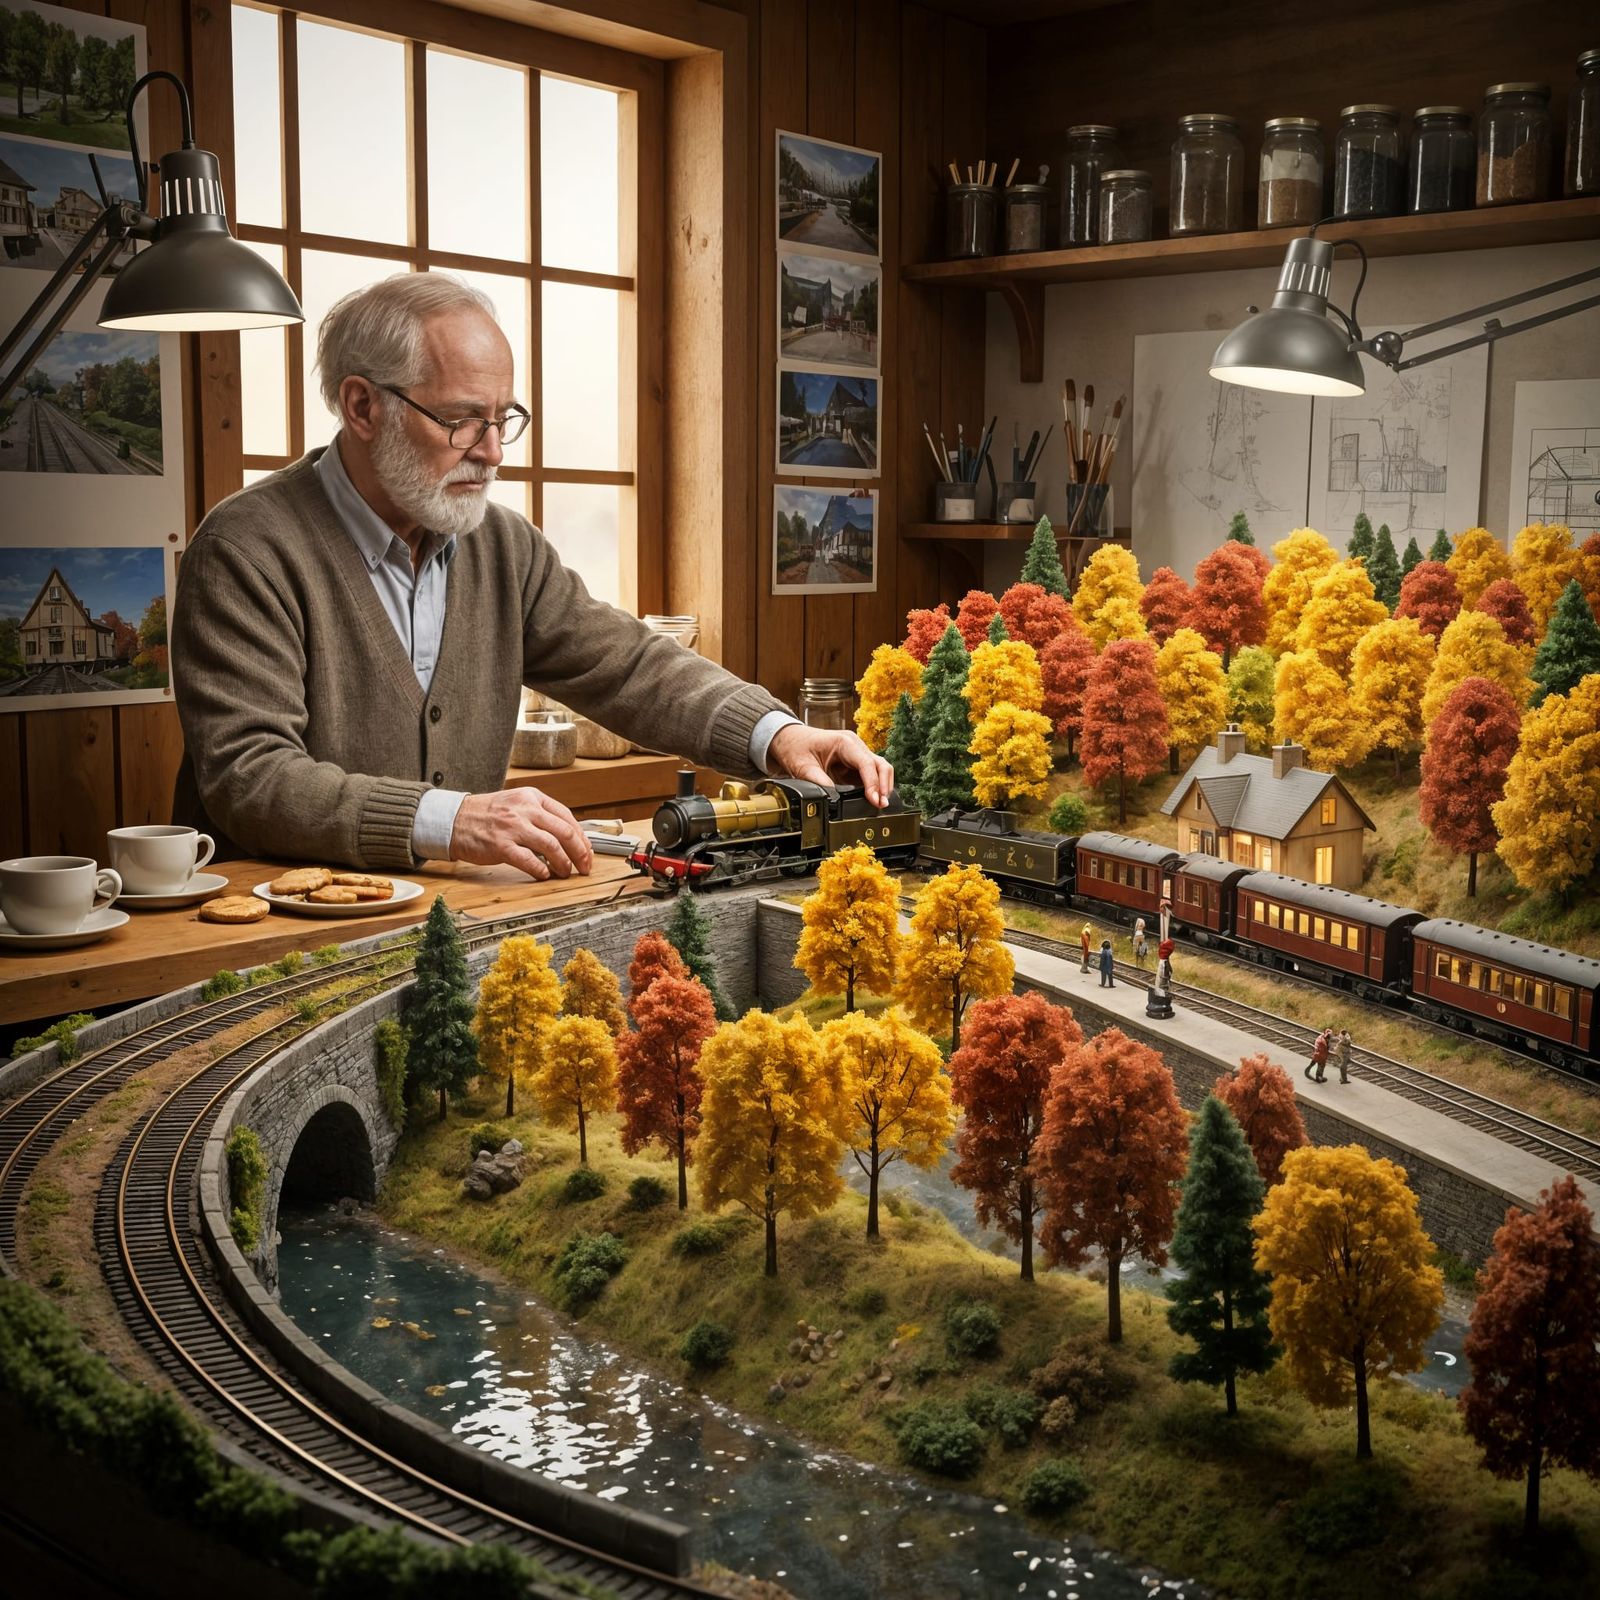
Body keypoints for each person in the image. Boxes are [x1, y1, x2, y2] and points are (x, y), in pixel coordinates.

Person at [171, 274, 890, 875]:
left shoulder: (501, 545)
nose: (492, 452)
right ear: (363, 406)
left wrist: (775, 735)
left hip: (446, 926)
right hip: (263, 945)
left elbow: (630, 666)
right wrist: (451, 820)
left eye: (503, 418)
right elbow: (252, 778)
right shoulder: (246, 548)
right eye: (460, 421)